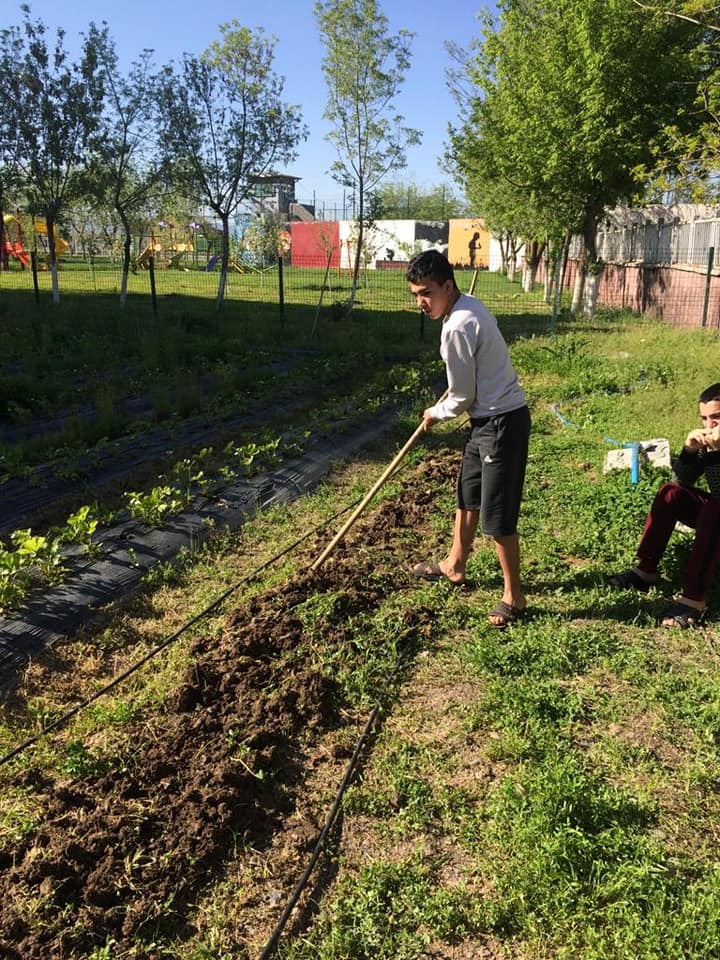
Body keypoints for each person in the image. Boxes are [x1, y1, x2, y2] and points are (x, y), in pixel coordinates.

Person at [406, 249, 531, 628]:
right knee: (468, 494)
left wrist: (435, 413)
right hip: (485, 422)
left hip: (501, 424)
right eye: (415, 294)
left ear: (447, 286)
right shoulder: (469, 305)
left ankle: (514, 596)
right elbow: (468, 381)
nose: (421, 302)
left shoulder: (458, 326)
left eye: (427, 293)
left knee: (497, 515)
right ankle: (454, 565)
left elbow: (461, 397)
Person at [609, 382, 720, 628]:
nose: (709, 425)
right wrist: (690, 451)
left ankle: (694, 600)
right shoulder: (712, 441)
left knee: (715, 510)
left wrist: (715, 454)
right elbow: (680, 481)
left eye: (717, 417)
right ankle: (645, 570)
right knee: (670, 493)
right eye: (704, 418)